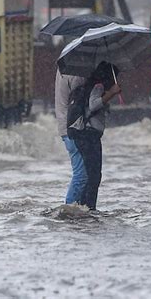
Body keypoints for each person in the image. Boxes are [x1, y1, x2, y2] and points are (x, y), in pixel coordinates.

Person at [72, 62, 121, 210]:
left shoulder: (93, 85)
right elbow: (93, 105)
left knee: (92, 175)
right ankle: (87, 208)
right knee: (94, 176)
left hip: (88, 135)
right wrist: (111, 93)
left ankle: (83, 207)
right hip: (89, 135)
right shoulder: (98, 86)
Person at [55, 69, 88, 204]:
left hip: (65, 126)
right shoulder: (75, 74)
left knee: (81, 173)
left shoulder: (62, 70)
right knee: (81, 175)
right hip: (72, 127)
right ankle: (69, 209)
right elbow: (80, 97)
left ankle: (77, 209)